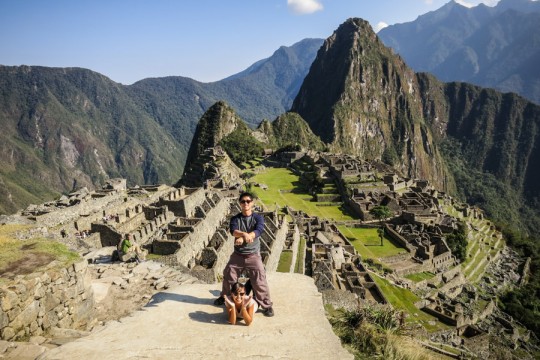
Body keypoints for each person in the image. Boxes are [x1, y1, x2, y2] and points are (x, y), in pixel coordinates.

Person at [214, 192, 274, 317]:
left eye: (248, 201)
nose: (245, 203)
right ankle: (225, 297)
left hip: (253, 255)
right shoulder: (235, 218)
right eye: (243, 201)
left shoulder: (258, 218)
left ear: (252, 203)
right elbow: (233, 231)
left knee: (259, 279)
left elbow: (259, 230)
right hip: (238, 255)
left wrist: (246, 236)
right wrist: (243, 235)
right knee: (228, 274)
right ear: (240, 203)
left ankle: (266, 305)